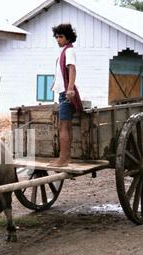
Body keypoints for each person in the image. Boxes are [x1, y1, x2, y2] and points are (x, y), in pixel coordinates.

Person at [50, 23, 83, 167]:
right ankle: (66, 158)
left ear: (68, 38)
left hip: (66, 94)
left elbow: (72, 69)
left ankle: (63, 159)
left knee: (63, 127)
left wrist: (70, 89)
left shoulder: (69, 51)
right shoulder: (64, 51)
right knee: (66, 126)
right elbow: (61, 72)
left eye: (61, 37)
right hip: (63, 92)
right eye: (56, 37)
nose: (58, 39)